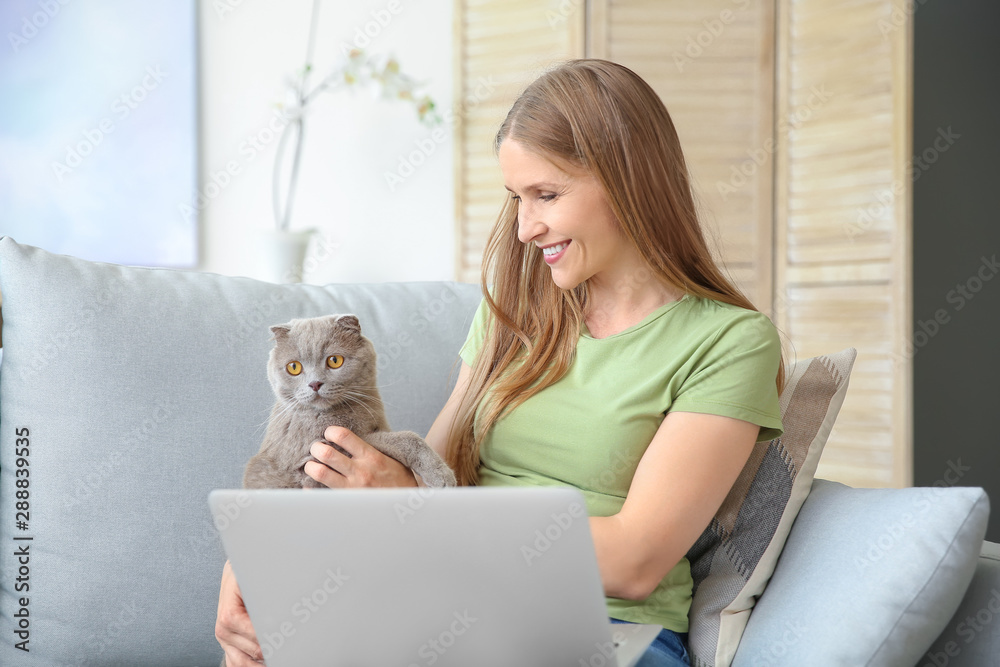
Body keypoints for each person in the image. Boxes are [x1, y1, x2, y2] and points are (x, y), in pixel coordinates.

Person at [216, 58, 784, 667]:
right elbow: (428, 467)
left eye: (547, 194)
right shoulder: (512, 311)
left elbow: (634, 561)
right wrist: (259, 563)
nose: (524, 228)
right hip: (452, 605)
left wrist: (419, 517)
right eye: (516, 197)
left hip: (602, 627)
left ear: (629, 180)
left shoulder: (731, 343)